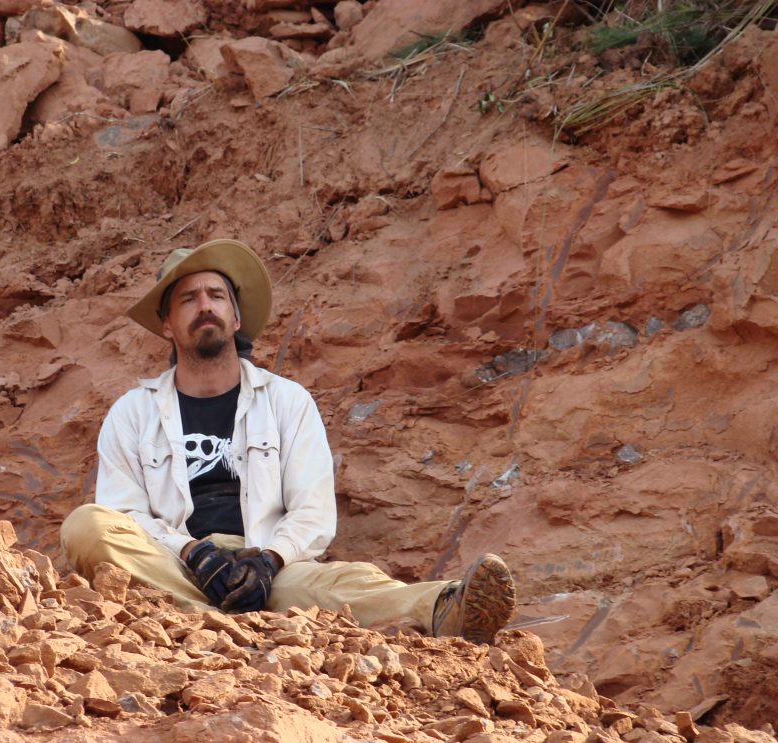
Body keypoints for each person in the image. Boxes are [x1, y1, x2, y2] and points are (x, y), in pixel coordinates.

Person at [60, 239, 516, 643]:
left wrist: (268, 562)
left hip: (270, 573)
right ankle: (235, 625)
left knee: (343, 582)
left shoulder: (287, 401)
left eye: (216, 296)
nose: (205, 306)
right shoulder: (131, 413)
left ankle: (444, 607)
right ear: (166, 325)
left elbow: (313, 511)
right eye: (188, 299)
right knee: (87, 527)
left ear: (235, 317)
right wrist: (192, 551)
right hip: (173, 566)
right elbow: (124, 514)